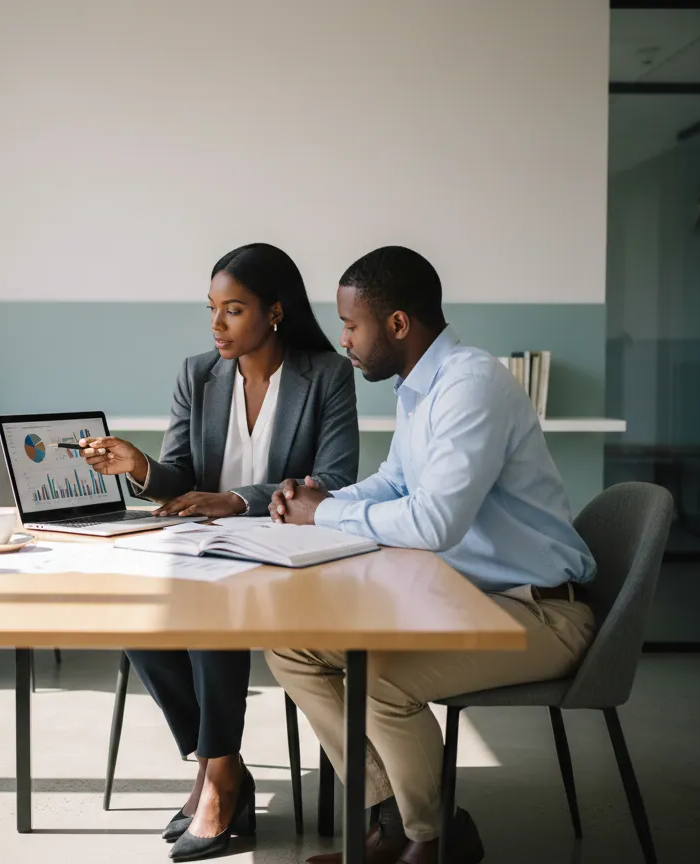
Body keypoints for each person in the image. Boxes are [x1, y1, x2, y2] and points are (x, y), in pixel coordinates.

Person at [266, 246, 597, 864]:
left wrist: (324, 515)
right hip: (471, 602)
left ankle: (437, 837)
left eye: (351, 325)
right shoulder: (419, 388)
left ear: (397, 324)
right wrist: (322, 498)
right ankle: (397, 818)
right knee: (293, 647)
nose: (344, 340)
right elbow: (396, 481)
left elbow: (435, 521)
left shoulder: (472, 385)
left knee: (380, 678)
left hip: (543, 613)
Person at [80, 242, 359, 861]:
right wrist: (140, 466)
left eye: (233, 310)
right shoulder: (197, 374)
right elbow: (180, 476)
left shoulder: (326, 375)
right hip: (205, 547)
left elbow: (335, 479)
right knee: (137, 615)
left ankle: (218, 784)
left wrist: (237, 499)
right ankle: (220, 766)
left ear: (275, 311)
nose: (217, 324)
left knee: (212, 616)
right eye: (211, 309)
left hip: (288, 554)